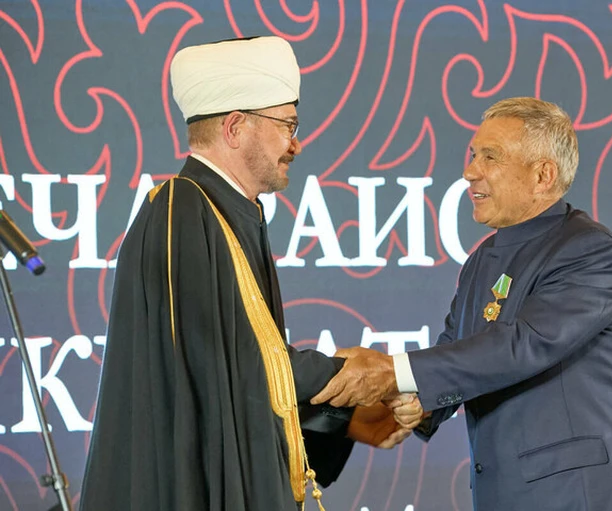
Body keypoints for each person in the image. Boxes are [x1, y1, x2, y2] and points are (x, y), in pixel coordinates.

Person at [80, 36, 420, 511]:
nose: (295, 144)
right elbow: (226, 370)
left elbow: (239, 388)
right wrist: (353, 376)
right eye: (288, 125)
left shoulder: (229, 211)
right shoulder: (182, 209)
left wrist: (343, 419)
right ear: (236, 127)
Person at [312, 97, 612, 510]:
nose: (470, 171)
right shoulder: (481, 260)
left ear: (543, 175)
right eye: (473, 155)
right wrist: (419, 405)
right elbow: (457, 350)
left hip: (582, 496)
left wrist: (396, 372)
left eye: (490, 157)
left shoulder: (587, 249)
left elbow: (521, 346)